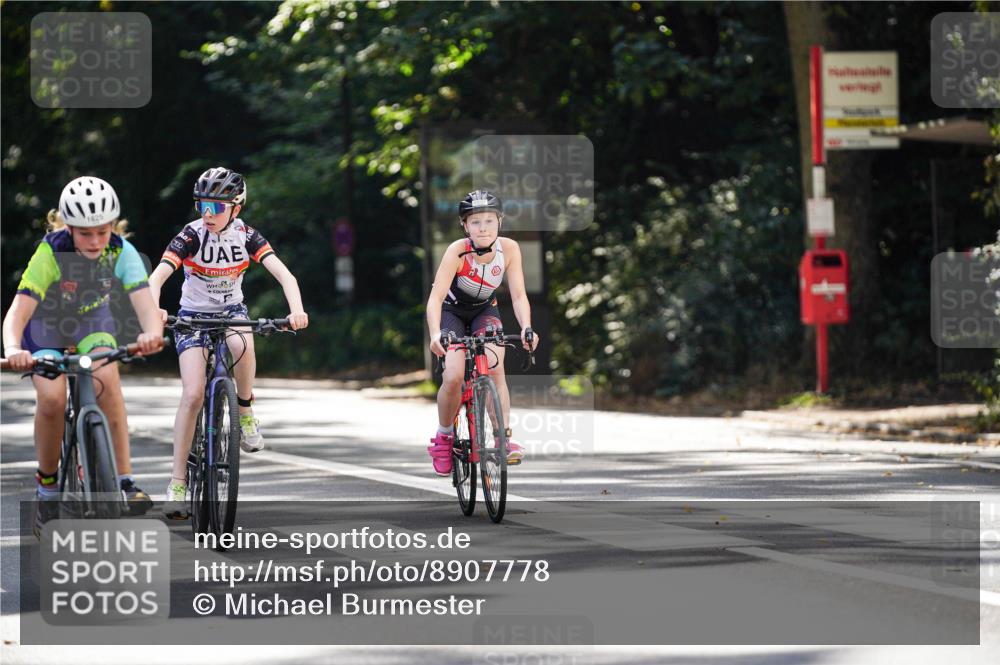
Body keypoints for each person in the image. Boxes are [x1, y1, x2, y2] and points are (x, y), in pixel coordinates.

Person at [2, 176, 164, 533]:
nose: (94, 241)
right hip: (47, 327)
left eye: (102, 232)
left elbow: (146, 305)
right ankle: (47, 490)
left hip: (93, 325)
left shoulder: (122, 252)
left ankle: (124, 481)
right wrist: (13, 349)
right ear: (68, 227)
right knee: (52, 399)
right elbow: (18, 312)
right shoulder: (50, 251)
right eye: (85, 233)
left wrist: (152, 334)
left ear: (113, 227)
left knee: (108, 378)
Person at [147, 167, 308, 519]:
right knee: (192, 394)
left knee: (244, 346)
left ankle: (245, 411)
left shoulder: (247, 236)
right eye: (202, 204)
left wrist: (296, 311)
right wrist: (154, 309)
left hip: (232, 310)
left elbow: (285, 275)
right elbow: (157, 277)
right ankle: (176, 484)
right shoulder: (190, 235)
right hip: (191, 316)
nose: (207, 214)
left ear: (236, 208)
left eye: (217, 207)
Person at [425, 189, 539, 476]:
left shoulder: (510, 249)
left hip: (484, 310)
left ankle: (503, 438)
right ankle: (444, 435)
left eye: (489, 220)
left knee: (495, 368)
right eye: (475, 222)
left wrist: (527, 327)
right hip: (451, 312)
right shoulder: (457, 251)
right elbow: (436, 298)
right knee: (452, 375)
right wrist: (436, 334)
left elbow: (518, 295)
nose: (483, 227)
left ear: (499, 221)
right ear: (465, 226)